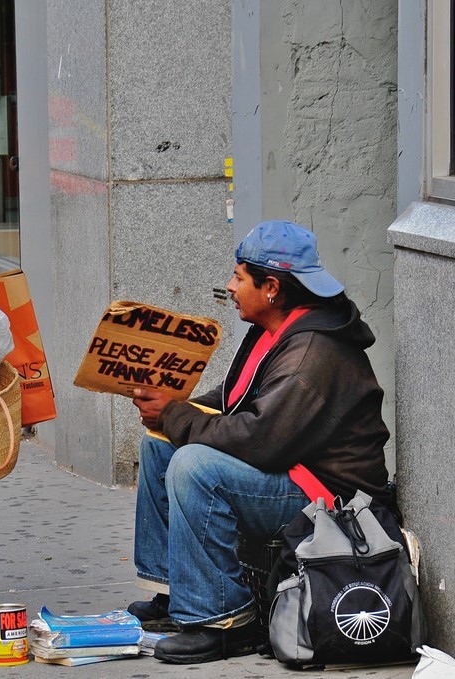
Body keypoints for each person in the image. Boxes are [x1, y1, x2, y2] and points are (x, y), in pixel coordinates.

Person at [128, 220, 391, 665]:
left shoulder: (313, 352)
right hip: (292, 466)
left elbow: (262, 438)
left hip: (329, 496)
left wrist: (176, 415)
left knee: (194, 466)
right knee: (160, 445)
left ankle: (224, 620)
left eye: (238, 277)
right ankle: (173, 593)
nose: (229, 287)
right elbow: (236, 402)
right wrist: (176, 407)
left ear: (271, 287)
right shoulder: (277, 328)